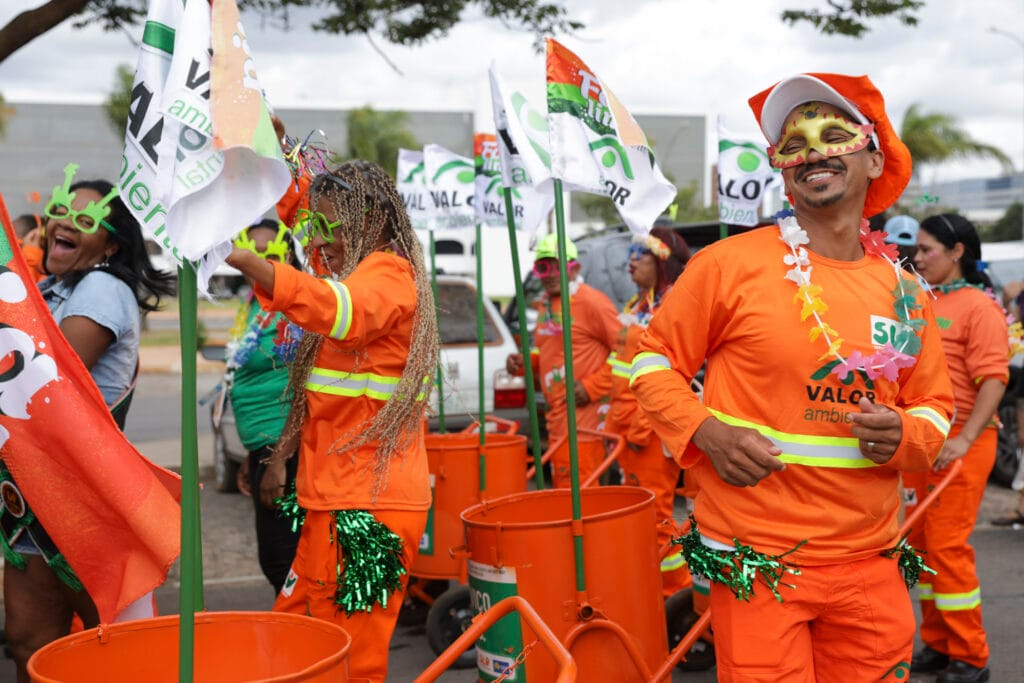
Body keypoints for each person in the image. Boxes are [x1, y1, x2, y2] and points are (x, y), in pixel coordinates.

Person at [631, 73, 955, 682]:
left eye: (834, 135)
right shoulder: (725, 265)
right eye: (794, 143)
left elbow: (936, 403)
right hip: (758, 562)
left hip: (871, 561)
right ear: (782, 168)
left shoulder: (908, 292)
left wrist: (906, 434)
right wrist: (706, 432)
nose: (813, 152)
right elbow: (653, 364)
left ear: (873, 155)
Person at [225, 160, 439, 683]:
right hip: (332, 500)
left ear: (370, 219)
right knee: (298, 638)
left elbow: (341, 311)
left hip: (369, 510)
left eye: (329, 227)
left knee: (347, 663)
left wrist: (245, 261)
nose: (317, 243)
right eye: (314, 228)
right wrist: (275, 153)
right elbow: (308, 211)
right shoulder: (355, 260)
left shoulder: (388, 274)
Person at [2, 164, 176, 680]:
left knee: (117, 647)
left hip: (85, 499)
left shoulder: (100, 286)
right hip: (34, 497)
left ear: (111, 247)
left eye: (85, 216)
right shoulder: (54, 290)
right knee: (28, 643)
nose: (65, 221)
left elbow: (44, 383)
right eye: (62, 210)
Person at [904, 213, 1008, 683]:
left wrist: (964, 439)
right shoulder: (918, 300)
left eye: (928, 250)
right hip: (926, 444)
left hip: (964, 441)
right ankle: (941, 643)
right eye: (918, 250)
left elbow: (994, 381)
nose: (919, 257)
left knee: (946, 548)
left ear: (957, 252)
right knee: (922, 547)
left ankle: (970, 654)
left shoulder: (978, 307)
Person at [604, 226, 691, 597]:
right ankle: (647, 590)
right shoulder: (635, 306)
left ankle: (677, 598)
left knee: (657, 516)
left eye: (640, 254)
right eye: (630, 254)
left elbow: (675, 373)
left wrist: (642, 426)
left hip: (652, 432)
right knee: (637, 517)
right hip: (625, 432)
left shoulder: (673, 306)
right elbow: (619, 367)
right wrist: (611, 421)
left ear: (661, 261)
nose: (631, 262)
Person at [224, 218, 302, 594]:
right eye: (247, 253)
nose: (254, 262)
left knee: (283, 562)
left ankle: (308, 643)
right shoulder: (253, 304)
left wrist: (277, 461)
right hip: (263, 448)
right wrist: (248, 456)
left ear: (286, 255)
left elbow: (306, 389)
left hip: (285, 449)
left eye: (266, 254)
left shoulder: (295, 308)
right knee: (277, 560)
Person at [506, 233, 621, 488]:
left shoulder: (592, 302)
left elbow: (627, 351)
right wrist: (523, 362)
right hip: (556, 420)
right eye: (543, 267)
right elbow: (546, 351)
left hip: (585, 422)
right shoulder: (546, 304)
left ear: (575, 268)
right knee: (564, 493)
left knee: (583, 498)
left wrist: (592, 387)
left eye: (559, 266)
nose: (551, 274)